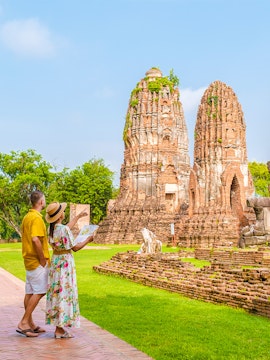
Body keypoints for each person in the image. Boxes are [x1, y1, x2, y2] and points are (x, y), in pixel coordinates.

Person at [45, 202, 94, 339]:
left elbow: (66, 228)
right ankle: (59, 329)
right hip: (65, 264)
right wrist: (88, 240)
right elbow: (75, 248)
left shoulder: (52, 229)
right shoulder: (63, 230)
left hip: (56, 262)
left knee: (57, 293)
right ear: (60, 215)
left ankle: (58, 326)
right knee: (64, 293)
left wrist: (77, 217)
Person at [17, 190, 50, 337]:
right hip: (37, 261)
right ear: (41, 202)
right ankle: (24, 322)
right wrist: (42, 259)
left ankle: (30, 323)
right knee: (40, 291)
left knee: (30, 292)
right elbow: (36, 239)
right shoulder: (36, 218)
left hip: (28, 260)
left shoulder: (27, 217)